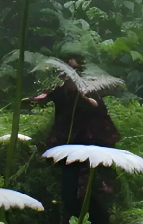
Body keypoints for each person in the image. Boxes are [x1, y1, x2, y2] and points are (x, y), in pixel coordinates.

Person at [30, 58, 120, 224]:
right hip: (66, 148)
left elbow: (96, 105)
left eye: (75, 71)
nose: (70, 75)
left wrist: (80, 95)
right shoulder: (60, 90)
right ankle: (74, 216)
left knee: (89, 189)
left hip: (89, 147)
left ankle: (97, 218)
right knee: (70, 190)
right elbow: (43, 98)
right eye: (67, 72)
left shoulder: (89, 89)